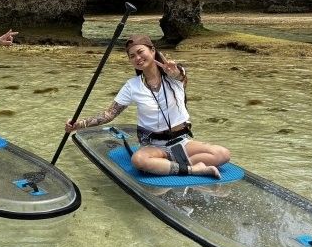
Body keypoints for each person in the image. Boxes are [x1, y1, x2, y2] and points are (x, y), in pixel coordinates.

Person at [64, 34, 229, 178]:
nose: (137, 58)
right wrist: (80, 124)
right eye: (132, 56)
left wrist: (175, 71)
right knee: (138, 160)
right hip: (153, 145)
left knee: (223, 154)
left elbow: (180, 76)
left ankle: (164, 166)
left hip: (182, 141)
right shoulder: (132, 86)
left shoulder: (173, 75)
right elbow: (109, 114)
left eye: (140, 52)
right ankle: (193, 169)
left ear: (152, 50)